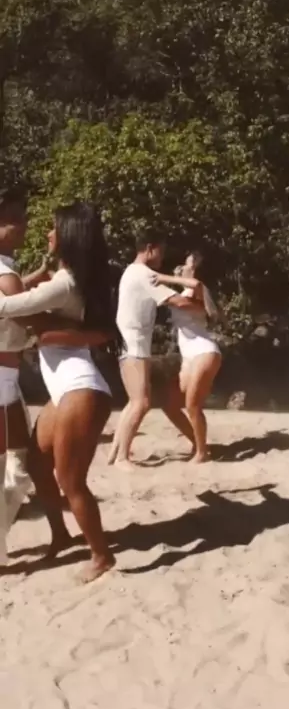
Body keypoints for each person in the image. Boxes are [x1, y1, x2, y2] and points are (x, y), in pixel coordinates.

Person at [0, 201, 120, 582]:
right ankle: (61, 535)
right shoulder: (69, 279)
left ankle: (101, 556)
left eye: (54, 228)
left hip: (79, 390)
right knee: (38, 466)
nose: (48, 233)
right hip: (68, 391)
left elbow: (7, 306)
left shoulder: (65, 283)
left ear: (69, 237)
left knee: (71, 481)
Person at [110, 231, 206, 470]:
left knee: (134, 402)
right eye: (161, 251)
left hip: (131, 344)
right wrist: (203, 308)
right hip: (133, 344)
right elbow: (178, 301)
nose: (162, 257)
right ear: (150, 248)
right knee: (141, 402)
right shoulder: (143, 274)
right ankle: (122, 458)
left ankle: (115, 454)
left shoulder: (132, 272)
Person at [164, 250, 222, 463]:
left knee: (192, 405)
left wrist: (162, 281)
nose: (181, 266)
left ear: (194, 270)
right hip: (189, 355)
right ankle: (199, 444)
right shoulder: (186, 292)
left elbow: (183, 300)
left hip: (203, 352)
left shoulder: (197, 289)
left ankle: (202, 452)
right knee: (170, 405)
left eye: (186, 264)